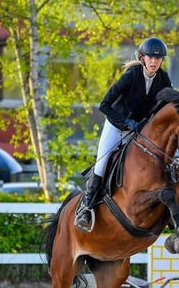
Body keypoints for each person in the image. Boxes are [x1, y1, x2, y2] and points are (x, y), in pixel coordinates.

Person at [74, 37, 173, 232]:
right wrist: (126, 122)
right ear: (142, 58)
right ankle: (86, 208)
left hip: (141, 131)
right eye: (150, 58)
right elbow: (105, 105)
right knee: (102, 164)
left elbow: (167, 107)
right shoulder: (131, 76)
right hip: (117, 126)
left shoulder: (164, 80)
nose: (154, 62)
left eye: (158, 58)